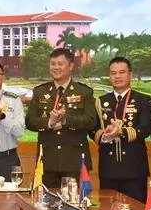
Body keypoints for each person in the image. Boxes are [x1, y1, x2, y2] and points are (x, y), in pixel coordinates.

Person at [25, 48, 98, 189]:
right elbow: (30, 121)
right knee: (45, 207)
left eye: (60, 64)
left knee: (75, 205)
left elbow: (90, 121)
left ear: (71, 66)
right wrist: (50, 122)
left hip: (75, 161)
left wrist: (65, 120)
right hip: (47, 161)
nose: (56, 67)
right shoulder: (40, 91)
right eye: (53, 64)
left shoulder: (84, 92)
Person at [95, 56, 151, 203]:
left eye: (122, 72)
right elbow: (93, 129)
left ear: (130, 75)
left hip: (134, 167)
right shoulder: (101, 101)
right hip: (109, 167)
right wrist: (106, 134)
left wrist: (121, 132)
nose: (117, 76)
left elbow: (145, 128)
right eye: (113, 73)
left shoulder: (142, 100)